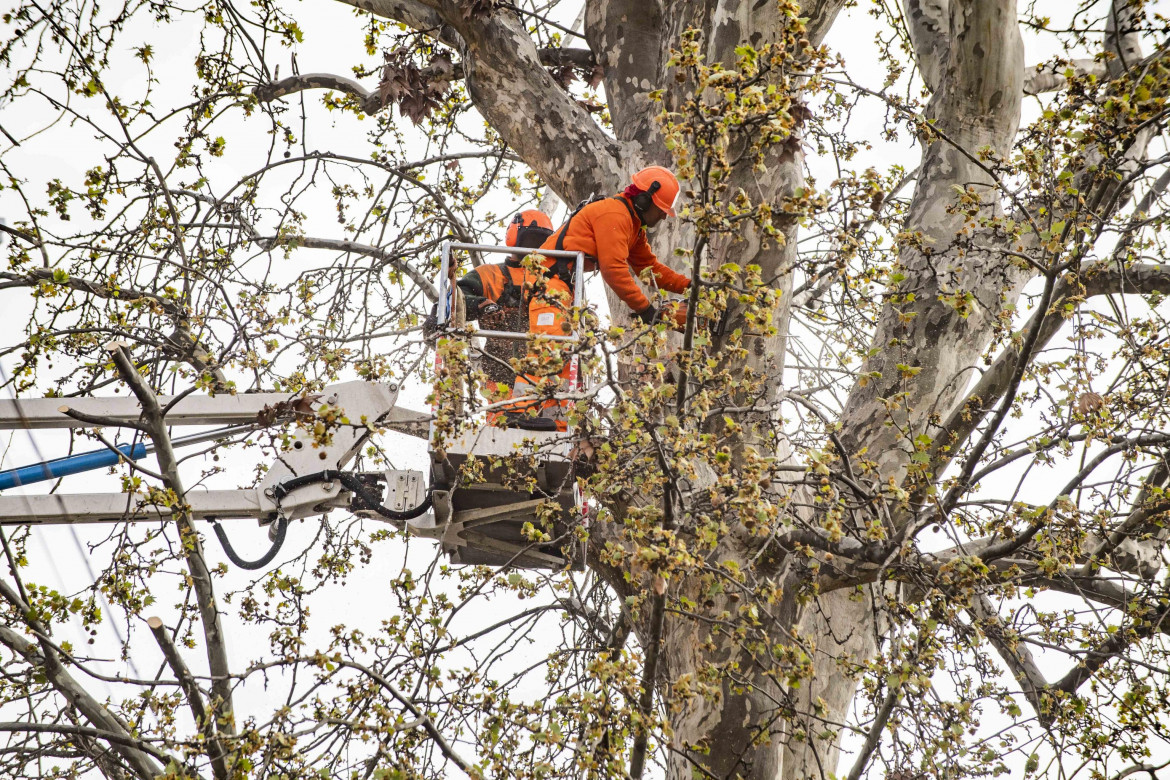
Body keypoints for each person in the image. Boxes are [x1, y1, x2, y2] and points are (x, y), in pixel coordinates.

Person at [510, 166, 692, 429]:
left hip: (563, 287)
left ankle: (553, 424)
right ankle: (520, 411)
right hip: (546, 282)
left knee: (566, 354)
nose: (663, 218)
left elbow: (649, 270)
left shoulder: (632, 227)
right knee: (549, 345)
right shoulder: (614, 214)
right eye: (661, 211)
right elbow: (613, 269)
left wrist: (691, 287)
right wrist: (645, 310)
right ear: (644, 199)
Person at [424, 209, 554, 424]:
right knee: (500, 431)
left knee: (550, 429)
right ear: (515, 238)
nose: (534, 247)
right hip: (499, 373)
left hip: (544, 372)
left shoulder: (552, 280)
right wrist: (482, 304)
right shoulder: (490, 274)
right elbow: (458, 298)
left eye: (541, 242)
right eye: (530, 240)